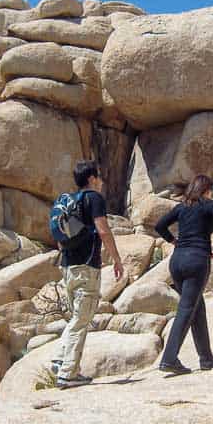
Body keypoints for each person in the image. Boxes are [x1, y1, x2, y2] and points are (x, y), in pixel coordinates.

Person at [53, 160, 124, 388]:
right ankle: (67, 372)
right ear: (92, 178)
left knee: (77, 316)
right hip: (86, 267)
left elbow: (60, 238)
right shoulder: (93, 198)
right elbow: (103, 229)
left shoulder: (69, 201)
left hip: (68, 267)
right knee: (82, 319)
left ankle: (60, 359)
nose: (101, 182)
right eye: (99, 178)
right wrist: (116, 258)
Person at [154, 174, 213, 375]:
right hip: (197, 259)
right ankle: (169, 359)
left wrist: (173, 240)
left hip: (176, 262)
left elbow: (159, 226)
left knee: (196, 307)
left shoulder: (181, 207)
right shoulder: (209, 205)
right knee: (187, 309)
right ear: (206, 190)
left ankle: (206, 358)